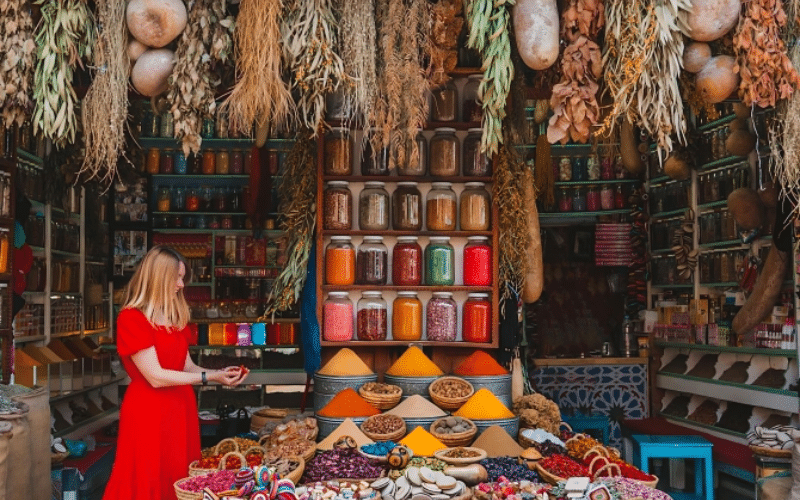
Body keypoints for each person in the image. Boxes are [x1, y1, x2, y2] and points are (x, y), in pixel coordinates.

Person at [103, 245, 247, 500]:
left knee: (180, 478)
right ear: (159, 277)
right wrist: (208, 377)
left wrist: (220, 373)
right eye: (177, 277)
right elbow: (156, 376)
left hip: (180, 409)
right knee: (147, 477)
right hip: (149, 411)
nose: (181, 284)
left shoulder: (173, 316)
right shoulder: (132, 319)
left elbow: (186, 367)